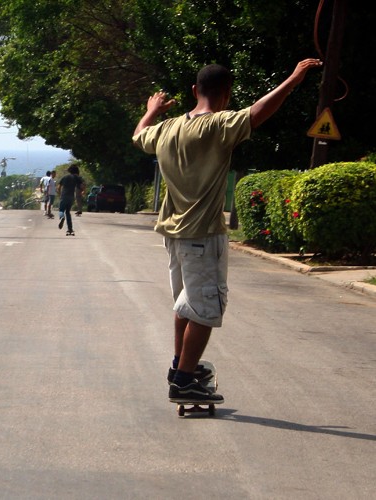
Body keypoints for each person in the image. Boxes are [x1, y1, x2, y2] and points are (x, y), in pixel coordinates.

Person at [132, 59, 322, 404]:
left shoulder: (167, 128)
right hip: (202, 234)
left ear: (194, 91)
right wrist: (293, 79)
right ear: (227, 94)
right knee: (205, 310)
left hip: (173, 235)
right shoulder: (219, 124)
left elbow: (138, 136)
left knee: (186, 306)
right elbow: (258, 113)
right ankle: (184, 381)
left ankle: (181, 368)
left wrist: (152, 110)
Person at [56, 165, 85, 235]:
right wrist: (82, 191)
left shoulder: (65, 177)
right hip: (71, 197)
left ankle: (62, 217)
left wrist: (59, 194)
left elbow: (58, 187)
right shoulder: (77, 178)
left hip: (64, 196)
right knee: (68, 212)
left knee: (61, 210)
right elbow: (82, 186)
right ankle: (70, 228)